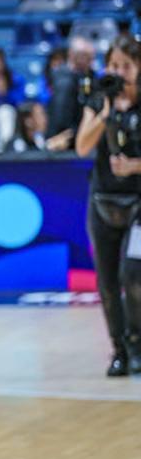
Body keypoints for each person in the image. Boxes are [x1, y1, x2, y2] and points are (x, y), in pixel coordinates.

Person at [74, 35, 141, 377]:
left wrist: (134, 167)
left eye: (126, 66)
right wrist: (105, 113)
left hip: (138, 201)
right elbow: (82, 147)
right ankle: (119, 349)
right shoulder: (99, 99)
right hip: (102, 199)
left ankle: (137, 343)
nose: (119, 72)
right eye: (114, 65)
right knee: (107, 281)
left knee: (133, 274)